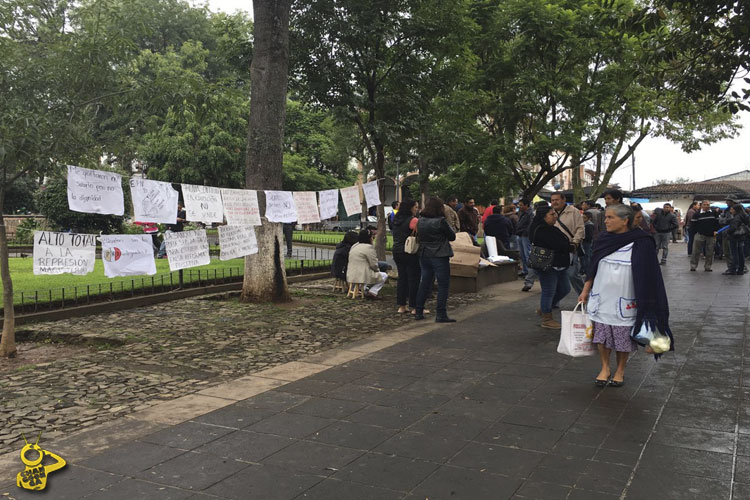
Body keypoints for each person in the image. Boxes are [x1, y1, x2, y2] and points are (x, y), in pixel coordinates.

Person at [579, 204, 673, 388]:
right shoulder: (603, 239)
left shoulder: (642, 241)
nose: (605, 221)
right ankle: (605, 368)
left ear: (625, 220)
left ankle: (620, 370)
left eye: (610, 217)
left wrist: (650, 300)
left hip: (626, 298)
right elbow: (593, 266)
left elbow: (650, 274)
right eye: (605, 217)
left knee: (623, 339)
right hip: (601, 296)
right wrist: (585, 290)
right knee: (602, 337)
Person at [414, 197, 456, 322]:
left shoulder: (420, 220)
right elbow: (452, 236)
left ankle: (419, 310)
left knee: (425, 282)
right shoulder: (441, 221)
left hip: (424, 253)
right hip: (439, 254)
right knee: (443, 284)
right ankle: (441, 314)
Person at [529, 205, 572, 329]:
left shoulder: (550, 228)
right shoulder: (542, 230)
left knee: (565, 289)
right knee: (549, 291)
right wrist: (570, 246)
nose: (555, 216)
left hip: (559, 264)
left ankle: (544, 308)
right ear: (543, 217)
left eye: (555, 214)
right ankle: (547, 318)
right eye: (552, 214)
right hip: (548, 265)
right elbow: (559, 245)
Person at [550, 192, 585, 295]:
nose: (554, 202)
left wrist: (575, 242)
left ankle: (584, 298)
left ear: (563, 200)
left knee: (572, 274)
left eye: (557, 200)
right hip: (555, 249)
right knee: (555, 275)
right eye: (552, 200)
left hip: (570, 247)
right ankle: (554, 301)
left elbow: (580, 228)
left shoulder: (574, 212)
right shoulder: (550, 213)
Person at [391, 199, 422, 314]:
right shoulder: (413, 220)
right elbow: (419, 234)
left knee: (402, 278)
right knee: (413, 278)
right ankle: (414, 306)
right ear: (410, 208)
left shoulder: (396, 219)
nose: (417, 209)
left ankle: (402, 306)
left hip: (397, 250)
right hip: (409, 251)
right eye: (415, 207)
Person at [347, 230, 389, 299]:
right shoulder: (368, 248)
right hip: (362, 275)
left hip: (351, 274)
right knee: (384, 275)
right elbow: (374, 264)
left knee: (367, 272)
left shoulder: (354, 246)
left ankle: (363, 287)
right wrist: (377, 271)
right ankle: (373, 292)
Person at [690, 200, 719, 272]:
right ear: (701, 205)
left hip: (711, 235)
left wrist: (716, 231)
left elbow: (717, 223)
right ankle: (693, 266)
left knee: (710, 252)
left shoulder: (714, 213)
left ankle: (708, 267)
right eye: (704, 205)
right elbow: (693, 225)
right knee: (695, 251)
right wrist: (694, 234)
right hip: (699, 234)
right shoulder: (696, 214)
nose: (706, 206)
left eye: (708, 205)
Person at [723, 203, 749, 275]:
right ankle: (740, 269)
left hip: (734, 237)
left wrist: (727, 232)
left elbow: (733, 228)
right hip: (741, 237)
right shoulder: (743, 216)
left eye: (732, 209)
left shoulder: (736, 218)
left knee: (734, 254)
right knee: (741, 253)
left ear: (736, 210)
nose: (731, 210)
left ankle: (733, 269)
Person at [516, 198, 535, 289]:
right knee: (523, 254)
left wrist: (524, 232)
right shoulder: (523, 213)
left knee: (527, 254)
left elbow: (530, 225)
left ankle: (528, 272)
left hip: (525, 235)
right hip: (521, 234)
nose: (520, 207)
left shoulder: (529, 214)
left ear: (526, 205)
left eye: (521, 205)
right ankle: (525, 270)